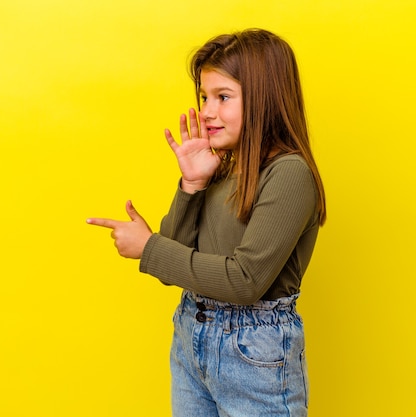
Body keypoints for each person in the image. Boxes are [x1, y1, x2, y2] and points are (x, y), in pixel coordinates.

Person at [87, 28, 326, 417]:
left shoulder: (288, 174)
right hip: (191, 333)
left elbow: (245, 280)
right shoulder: (220, 169)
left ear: (265, 100)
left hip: (254, 352)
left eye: (223, 97)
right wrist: (191, 184)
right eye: (203, 97)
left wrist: (149, 247)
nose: (207, 111)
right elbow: (172, 263)